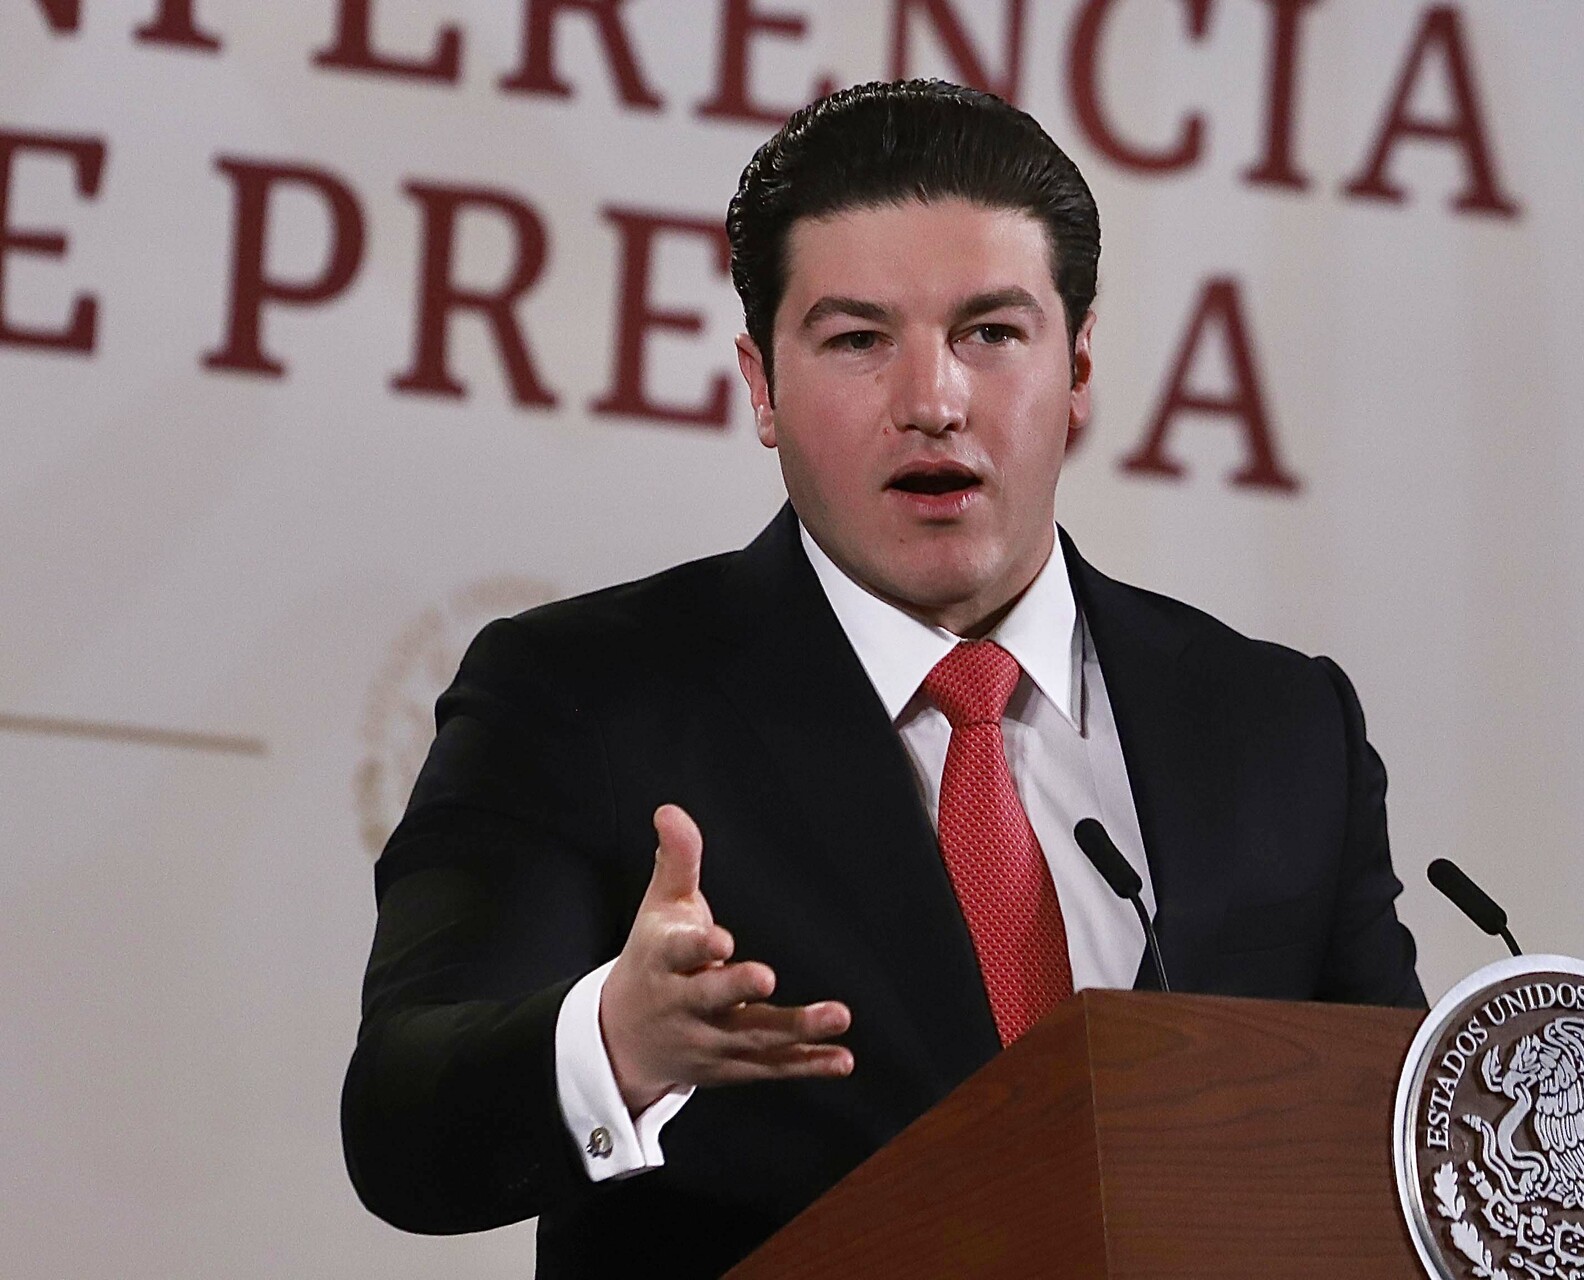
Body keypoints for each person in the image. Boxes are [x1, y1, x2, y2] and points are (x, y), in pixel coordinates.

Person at [341, 79, 1423, 1277]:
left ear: (1077, 369)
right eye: (859, 339)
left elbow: (1391, 1150)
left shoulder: (1280, 727)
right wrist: (617, 1042)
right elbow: (401, 1117)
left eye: (991, 333)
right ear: (763, 385)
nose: (932, 401)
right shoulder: (581, 695)